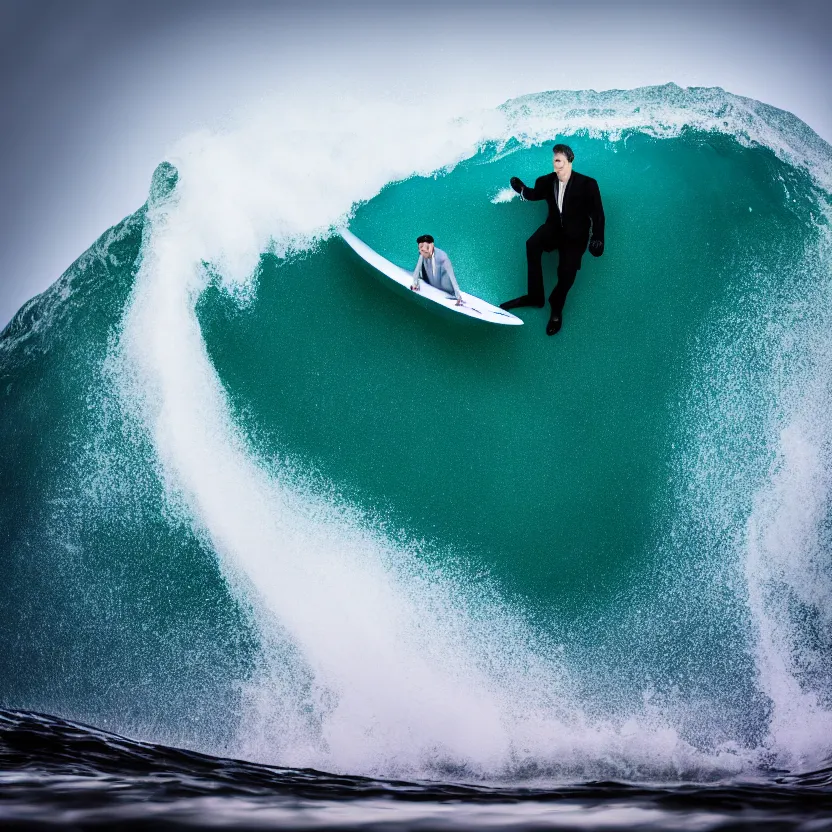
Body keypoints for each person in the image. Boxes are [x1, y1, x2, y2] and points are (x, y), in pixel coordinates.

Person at [500, 144, 605, 335]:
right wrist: (522, 189)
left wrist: (598, 237)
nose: (556, 166)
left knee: (566, 273)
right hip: (554, 229)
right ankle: (535, 296)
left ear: (570, 160)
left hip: (576, 235)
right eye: (554, 161)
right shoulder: (546, 181)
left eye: (559, 161)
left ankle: (556, 306)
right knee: (532, 244)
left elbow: (598, 215)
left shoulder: (588, 184)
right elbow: (534, 195)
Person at [411, 235, 464, 306]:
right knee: (422, 269)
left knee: (446, 280)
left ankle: (454, 294)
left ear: (431, 245)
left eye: (425, 248)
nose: (422, 251)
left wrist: (458, 295)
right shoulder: (422, 254)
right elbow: (417, 269)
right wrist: (415, 283)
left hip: (445, 288)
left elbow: (452, 276)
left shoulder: (443, 257)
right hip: (430, 282)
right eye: (420, 248)